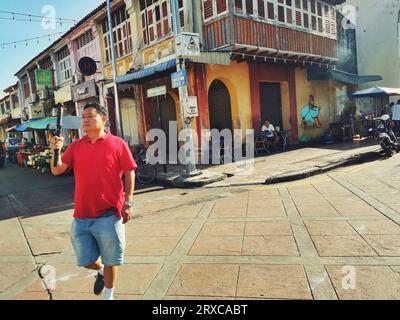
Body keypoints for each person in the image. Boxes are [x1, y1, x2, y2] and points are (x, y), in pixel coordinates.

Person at [50, 102, 137, 300]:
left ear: (103, 120)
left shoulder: (117, 143)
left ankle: (109, 295)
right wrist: (56, 150)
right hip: (81, 216)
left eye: (90, 116)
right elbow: (57, 169)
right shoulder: (76, 146)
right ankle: (99, 272)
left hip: (109, 214)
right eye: (83, 117)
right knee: (85, 260)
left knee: (111, 260)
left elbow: (129, 171)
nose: (85, 120)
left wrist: (128, 202)